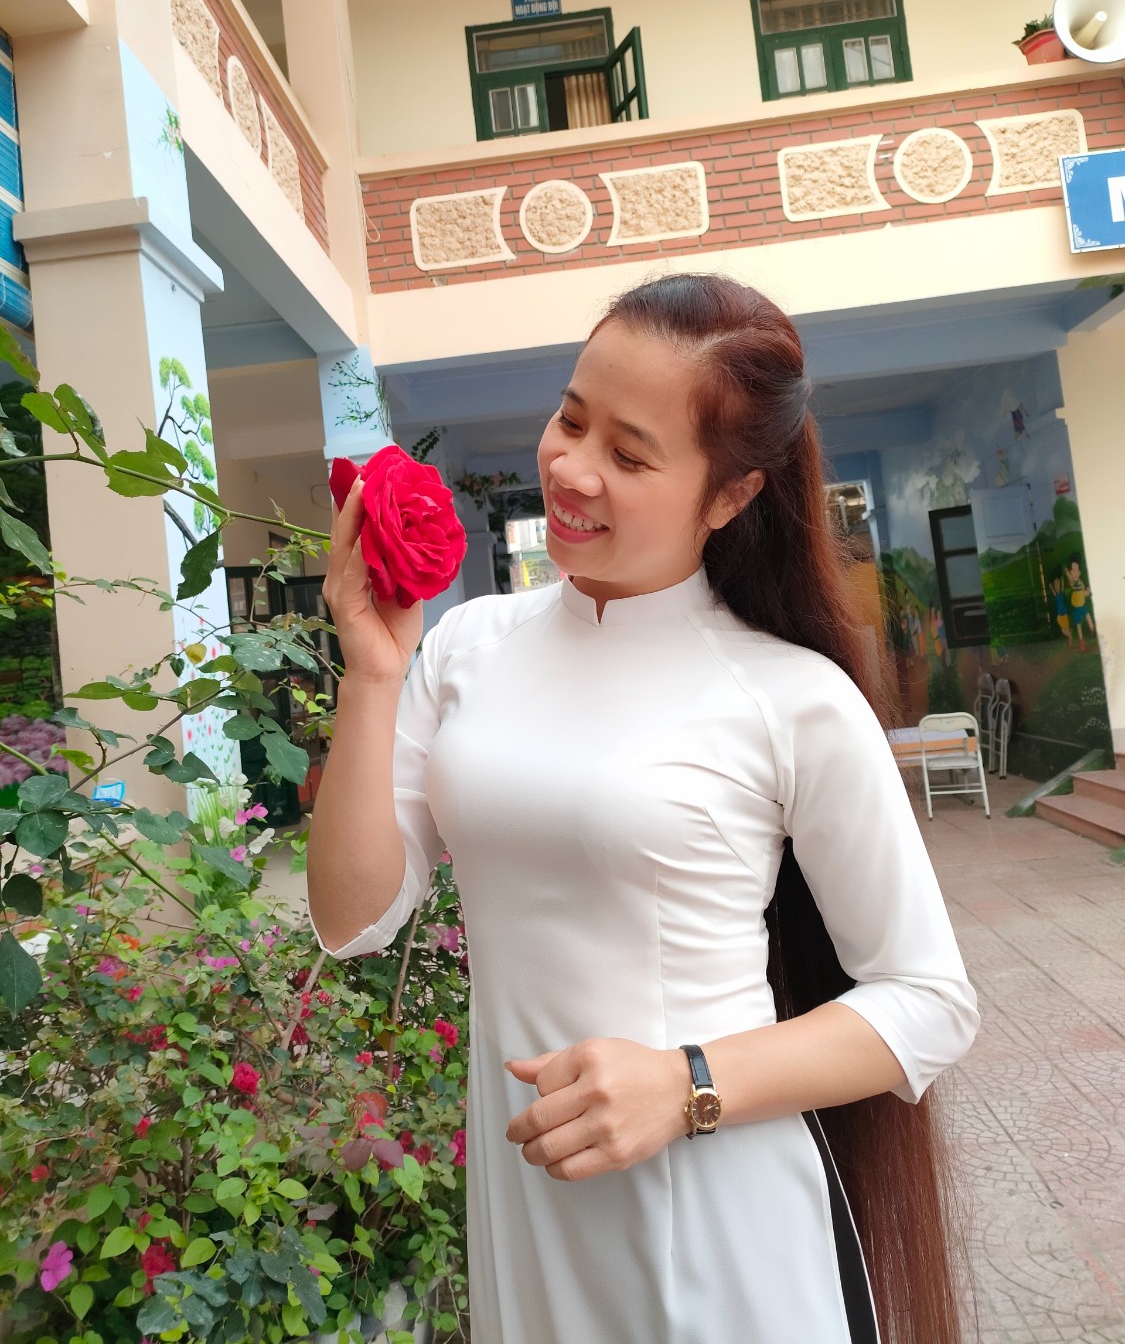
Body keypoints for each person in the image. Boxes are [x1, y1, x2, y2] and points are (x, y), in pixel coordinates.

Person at [309, 274, 980, 1344]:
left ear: (729, 496)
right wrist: (373, 677)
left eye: (629, 455)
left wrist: (685, 1084)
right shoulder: (470, 648)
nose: (572, 469)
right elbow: (352, 919)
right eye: (571, 418)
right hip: (532, 1207)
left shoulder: (788, 698)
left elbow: (929, 1003)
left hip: (716, 1221)